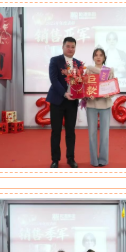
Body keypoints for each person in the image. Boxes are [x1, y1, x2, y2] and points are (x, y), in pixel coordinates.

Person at [47, 37, 83, 168]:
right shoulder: (55, 60)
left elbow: (81, 81)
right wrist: (64, 93)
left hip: (72, 102)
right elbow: (54, 79)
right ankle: (55, 159)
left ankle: (70, 158)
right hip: (58, 100)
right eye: (68, 46)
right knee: (56, 131)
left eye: (73, 47)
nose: (70, 49)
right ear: (63, 47)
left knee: (70, 131)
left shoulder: (78, 63)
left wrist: (81, 93)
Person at [85, 47, 114, 166]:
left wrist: (109, 94)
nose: (98, 57)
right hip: (91, 104)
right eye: (96, 55)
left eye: (100, 55)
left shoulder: (109, 71)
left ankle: (103, 160)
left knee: (104, 134)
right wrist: (88, 95)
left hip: (105, 104)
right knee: (92, 134)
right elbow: (85, 86)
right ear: (93, 57)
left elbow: (112, 87)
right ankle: (94, 160)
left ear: (104, 57)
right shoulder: (89, 70)